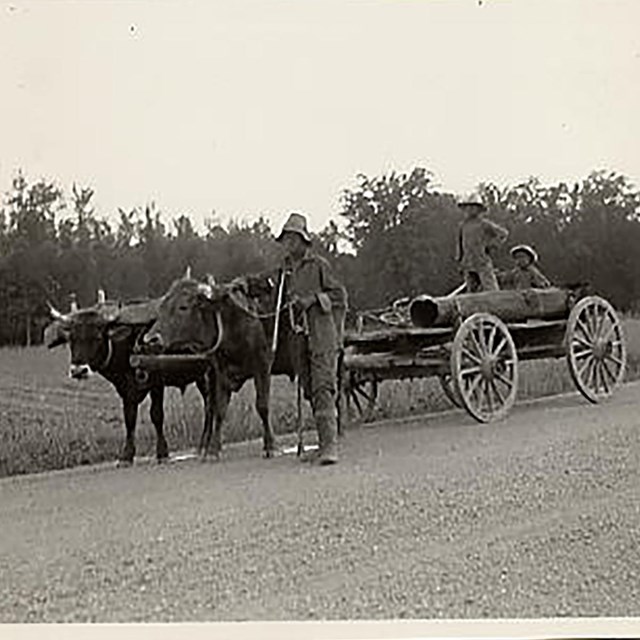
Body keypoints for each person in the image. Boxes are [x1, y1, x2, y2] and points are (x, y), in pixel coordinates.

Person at [277, 212, 348, 465]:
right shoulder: (285, 270)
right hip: (299, 338)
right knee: (309, 388)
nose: (288, 244)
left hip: (322, 335)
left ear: (302, 240)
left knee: (323, 387)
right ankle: (321, 444)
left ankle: (330, 447)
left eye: (292, 238)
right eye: (285, 239)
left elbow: (339, 295)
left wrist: (314, 300)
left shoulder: (319, 265)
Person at [456, 193, 509, 292]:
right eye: (468, 207)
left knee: (490, 287)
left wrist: (491, 245)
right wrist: (459, 259)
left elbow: (502, 234)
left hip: (481, 260)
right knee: (471, 289)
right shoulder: (463, 225)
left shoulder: (483, 224)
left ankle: (497, 305)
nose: (470, 209)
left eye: (473, 207)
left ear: (479, 209)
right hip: (468, 262)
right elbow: (460, 243)